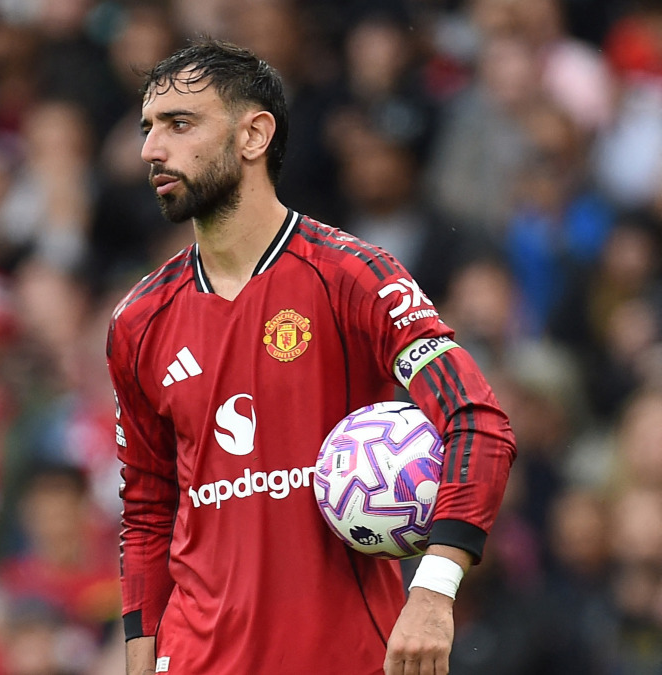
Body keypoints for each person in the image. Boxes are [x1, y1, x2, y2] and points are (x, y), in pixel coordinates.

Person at [109, 39, 517, 674]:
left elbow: (476, 419)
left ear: (254, 135)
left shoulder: (354, 277)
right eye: (148, 128)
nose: (151, 150)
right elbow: (147, 506)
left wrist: (434, 591)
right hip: (196, 660)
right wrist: (141, 660)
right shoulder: (138, 322)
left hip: (343, 656)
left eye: (179, 124)